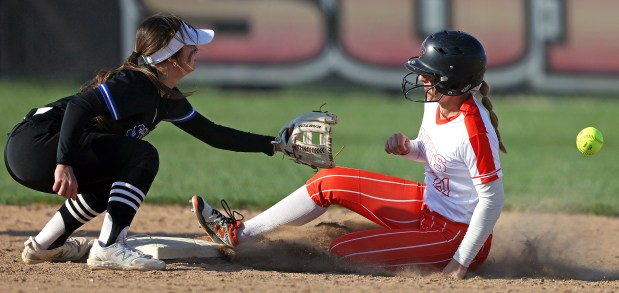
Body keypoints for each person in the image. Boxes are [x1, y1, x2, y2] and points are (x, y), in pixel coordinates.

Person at [191, 30, 506, 279]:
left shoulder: (474, 131)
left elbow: (492, 200)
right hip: (428, 206)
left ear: (453, 81)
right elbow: (442, 157)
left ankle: (414, 248)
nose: (422, 78)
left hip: (454, 236)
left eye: (430, 74)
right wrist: (410, 148)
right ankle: (240, 234)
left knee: (341, 250)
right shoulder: (434, 102)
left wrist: (460, 263)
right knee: (330, 180)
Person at [4, 14, 279, 271]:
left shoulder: (164, 94)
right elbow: (78, 106)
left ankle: (45, 245)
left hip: (35, 149)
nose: (197, 49)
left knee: (114, 176)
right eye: (190, 46)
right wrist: (63, 161)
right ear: (169, 56)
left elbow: (214, 134)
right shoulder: (136, 83)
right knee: (142, 155)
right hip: (36, 143)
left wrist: (274, 144)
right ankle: (110, 246)